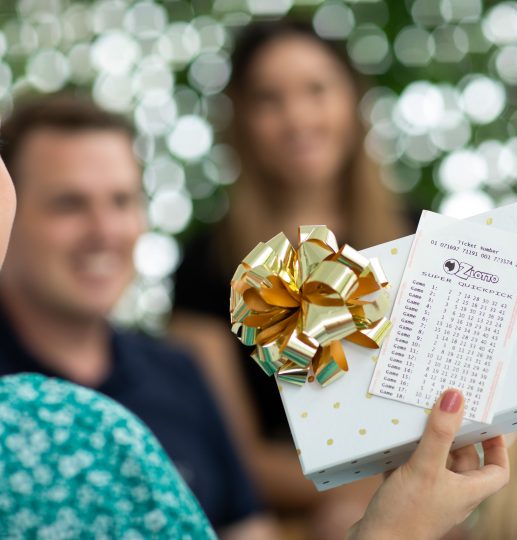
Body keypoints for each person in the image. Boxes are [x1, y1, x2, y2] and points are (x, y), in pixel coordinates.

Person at [0, 1, 509, 538]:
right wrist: (389, 515)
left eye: (124, 200)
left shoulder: (422, 235)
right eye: (68, 203)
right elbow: (245, 467)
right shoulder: (85, 423)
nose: (297, 116)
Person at [0, 95, 274, 538]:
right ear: (4, 210)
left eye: (122, 201)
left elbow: (248, 531)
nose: (104, 231)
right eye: (69, 204)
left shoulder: (181, 373)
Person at [169, 19, 412, 538]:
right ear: (240, 121)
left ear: (353, 103)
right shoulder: (204, 268)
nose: (296, 116)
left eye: (316, 90)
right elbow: (232, 452)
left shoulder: (417, 237)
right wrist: (381, 497)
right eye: (268, 99)